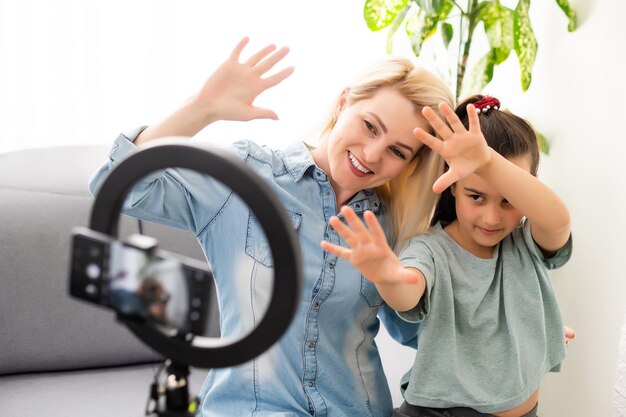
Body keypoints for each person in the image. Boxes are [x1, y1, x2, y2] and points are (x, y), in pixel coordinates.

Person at [88, 37, 455, 416]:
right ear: (343, 102)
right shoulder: (248, 178)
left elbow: (419, 334)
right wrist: (203, 108)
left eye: (398, 151)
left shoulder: (394, 226)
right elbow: (118, 187)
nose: (372, 154)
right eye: (370, 126)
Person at [321, 95, 573, 417]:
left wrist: (488, 163)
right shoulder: (430, 250)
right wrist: (387, 275)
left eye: (508, 200)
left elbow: (559, 222)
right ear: (453, 185)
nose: (492, 218)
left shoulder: (527, 242)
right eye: (476, 196)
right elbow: (408, 292)